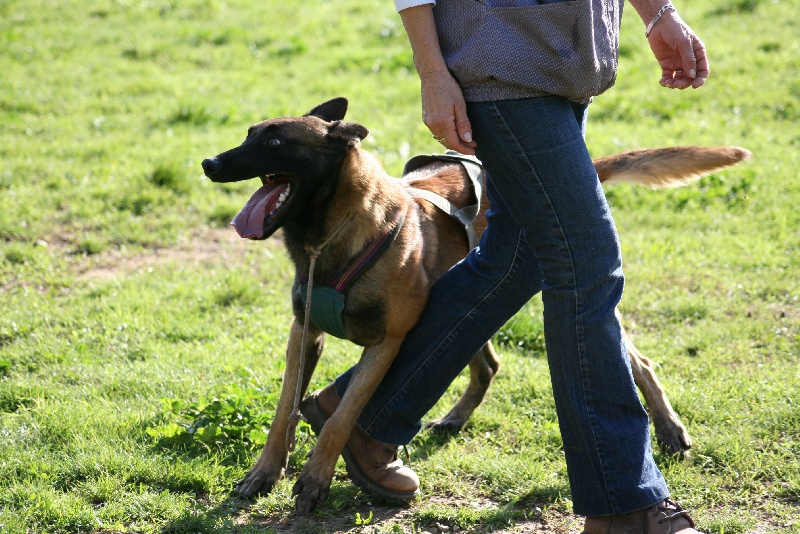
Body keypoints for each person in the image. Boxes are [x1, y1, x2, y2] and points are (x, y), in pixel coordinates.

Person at [302, 0, 710, 532]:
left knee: (514, 262)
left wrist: (658, 15)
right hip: (499, 70)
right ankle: (623, 503)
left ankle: (367, 412)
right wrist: (433, 73)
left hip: (563, 67)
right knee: (586, 268)